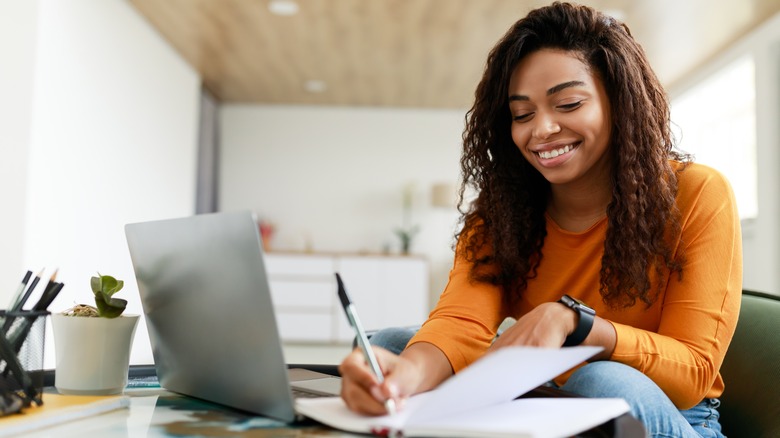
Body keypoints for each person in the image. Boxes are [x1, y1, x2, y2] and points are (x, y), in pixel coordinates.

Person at [338, 2, 742, 437]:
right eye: (522, 114)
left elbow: (694, 372)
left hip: (673, 416)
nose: (542, 130)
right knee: (393, 345)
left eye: (567, 103)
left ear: (619, 102)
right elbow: (461, 321)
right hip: (550, 403)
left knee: (601, 380)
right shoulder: (503, 212)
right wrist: (402, 380)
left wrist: (578, 324)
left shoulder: (698, 193)